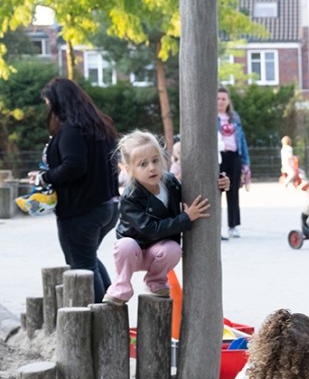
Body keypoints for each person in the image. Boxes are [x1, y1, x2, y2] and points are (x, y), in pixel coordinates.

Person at [32, 78, 119, 301]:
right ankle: (110, 310)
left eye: (48, 103)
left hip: (82, 210)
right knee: (88, 259)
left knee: (82, 265)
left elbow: (74, 166)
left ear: (58, 103)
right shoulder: (99, 126)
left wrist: (45, 177)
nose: (47, 108)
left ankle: (99, 316)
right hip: (106, 207)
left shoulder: (72, 129)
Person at [107, 131, 211, 304]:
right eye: (143, 164)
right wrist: (185, 218)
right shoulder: (130, 197)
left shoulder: (170, 182)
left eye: (155, 160)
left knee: (173, 249)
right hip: (134, 253)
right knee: (125, 245)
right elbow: (150, 229)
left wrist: (219, 182)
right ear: (129, 169)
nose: (152, 168)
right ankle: (121, 286)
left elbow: (194, 191)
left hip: (158, 251)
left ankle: (155, 281)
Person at [216, 86, 250, 239]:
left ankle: (233, 225)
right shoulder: (211, 117)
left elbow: (242, 139)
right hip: (218, 157)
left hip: (234, 156)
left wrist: (245, 162)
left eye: (223, 99)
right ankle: (216, 226)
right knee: (217, 191)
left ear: (228, 101)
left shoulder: (234, 117)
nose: (220, 101)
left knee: (234, 191)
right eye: (218, 98)